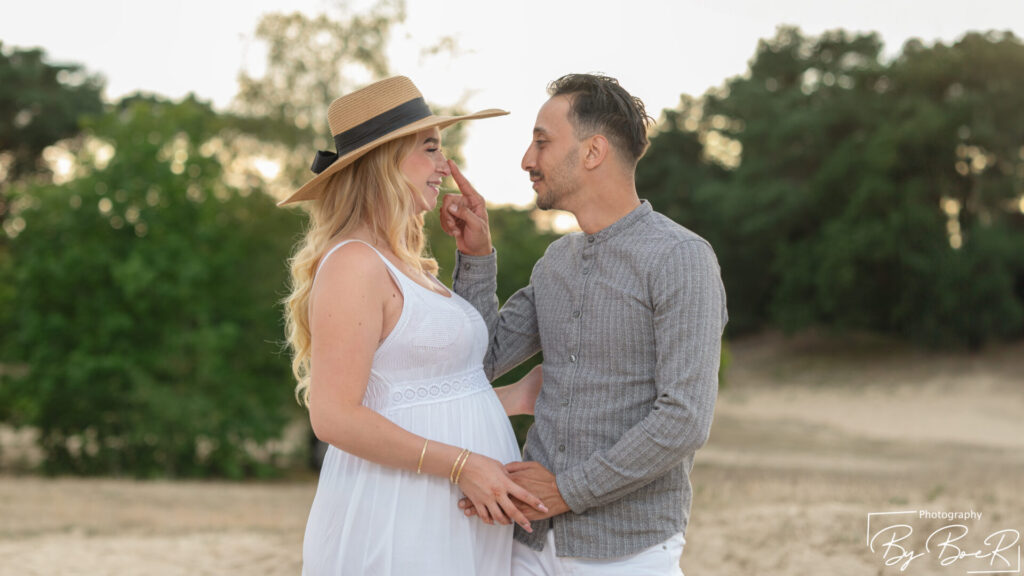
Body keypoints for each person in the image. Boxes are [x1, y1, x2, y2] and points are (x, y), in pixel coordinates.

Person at [441, 74, 728, 575]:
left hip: (628, 551)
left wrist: (567, 491)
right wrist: (477, 256)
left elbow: (684, 418)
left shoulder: (681, 258)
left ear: (593, 151)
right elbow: (477, 363)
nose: (527, 160)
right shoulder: (555, 261)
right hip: (527, 544)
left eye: (542, 142)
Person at [278, 76, 548, 576]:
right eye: (430, 148)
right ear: (384, 160)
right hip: (401, 513)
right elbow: (333, 417)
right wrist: (463, 465)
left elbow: (421, 397)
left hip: (451, 514)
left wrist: (515, 396)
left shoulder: (407, 264)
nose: (445, 165)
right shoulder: (354, 263)